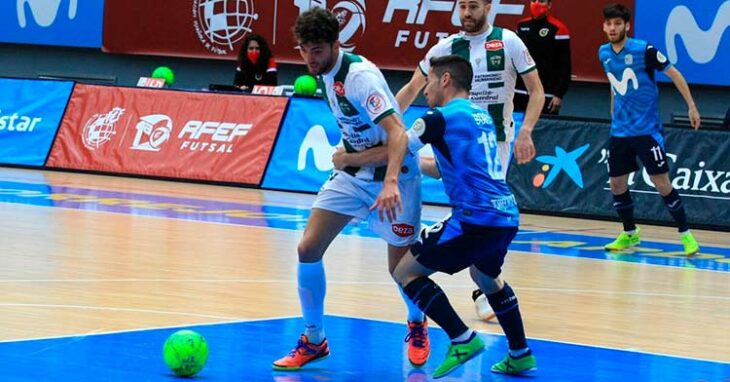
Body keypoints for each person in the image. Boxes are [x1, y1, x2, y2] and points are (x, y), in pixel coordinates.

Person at [272, 8, 430, 371]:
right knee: (307, 247)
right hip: (352, 178)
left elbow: (398, 135)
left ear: (335, 45)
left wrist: (389, 182)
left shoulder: (360, 78)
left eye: (317, 51)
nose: (309, 59)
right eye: (303, 50)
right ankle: (314, 339)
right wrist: (349, 157)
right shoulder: (325, 74)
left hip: (396, 180)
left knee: (403, 271)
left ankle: (417, 321)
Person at [388, 55, 537, 378]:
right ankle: (520, 353)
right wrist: (412, 166)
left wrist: (355, 160)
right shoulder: (479, 116)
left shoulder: (438, 118)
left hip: (475, 219)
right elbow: (442, 168)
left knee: (405, 273)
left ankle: (461, 338)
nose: (425, 88)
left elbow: (399, 145)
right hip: (505, 215)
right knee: (487, 279)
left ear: (444, 80)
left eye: (428, 81)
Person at [396, 0, 545, 322]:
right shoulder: (447, 47)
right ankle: (486, 286)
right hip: (452, 133)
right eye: (462, 6)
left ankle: (481, 287)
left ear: (488, 6)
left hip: (495, 141)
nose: (466, 13)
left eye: (473, 6)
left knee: (480, 211)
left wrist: (526, 131)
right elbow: (412, 87)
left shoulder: (509, 41)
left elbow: (537, 91)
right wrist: (387, 123)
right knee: (464, 200)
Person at [599, 4, 701, 255]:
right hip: (620, 132)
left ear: (626, 26)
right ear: (604, 26)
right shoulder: (603, 52)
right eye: (609, 24)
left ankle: (686, 235)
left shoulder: (644, 50)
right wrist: (613, 109)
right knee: (616, 184)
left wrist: (691, 106)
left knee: (661, 183)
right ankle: (630, 233)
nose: (612, 28)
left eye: (617, 24)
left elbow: (674, 73)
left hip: (646, 131)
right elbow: (615, 84)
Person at [514, 0, 572, 115]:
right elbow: (514, 59)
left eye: (541, 1)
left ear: (549, 5)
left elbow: (565, 66)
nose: (536, 4)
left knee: (543, 130)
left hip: (546, 93)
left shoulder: (558, 28)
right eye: (533, 1)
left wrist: (559, 94)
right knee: (516, 129)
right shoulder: (521, 26)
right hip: (519, 91)